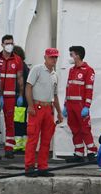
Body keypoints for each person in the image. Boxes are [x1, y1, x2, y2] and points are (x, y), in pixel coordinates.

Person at [24, 48, 63, 177]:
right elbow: (28, 86)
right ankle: (29, 166)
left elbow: (55, 95)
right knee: (33, 138)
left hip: (48, 108)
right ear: (45, 57)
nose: (54, 60)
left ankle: (42, 166)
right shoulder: (37, 69)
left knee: (46, 140)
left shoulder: (54, 75)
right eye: (51, 57)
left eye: (55, 57)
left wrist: (59, 112)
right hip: (37, 106)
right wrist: (30, 105)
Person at [63, 46, 97, 163]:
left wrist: (87, 106)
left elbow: (89, 89)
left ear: (77, 55)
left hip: (81, 106)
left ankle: (92, 152)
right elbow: (68, 88)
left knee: (85, 129)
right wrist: (65, 105)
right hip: (71, 105)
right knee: (74, 129)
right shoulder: (72, 70)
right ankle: (79, 153)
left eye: (71, 54)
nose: (70, 57)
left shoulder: (88, 70)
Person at [0, 35, 24, 159]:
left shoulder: (17, 60)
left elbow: (20, 79)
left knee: (10, 123)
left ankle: (9, 149)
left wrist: (21, 95)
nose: (10, 45)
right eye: (7, 43)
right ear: (2, 44)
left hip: (11, 97)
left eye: (11, 43)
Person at [13, 45, 30, 152]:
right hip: (24, 98)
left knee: (18, 122)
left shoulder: (20, 67)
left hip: (20, 98)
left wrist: (19, 96)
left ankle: (18, 145)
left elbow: (21, 83)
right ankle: (23, 145)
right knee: (22, 122)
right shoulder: (24, 66)